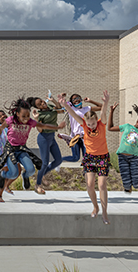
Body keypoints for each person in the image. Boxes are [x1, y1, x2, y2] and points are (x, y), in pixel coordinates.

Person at [0, 97, 64, 194]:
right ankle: (3, 174)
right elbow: (0, 129)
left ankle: (25, 176)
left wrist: (58, 127)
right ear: (18, 114)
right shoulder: (11, 120)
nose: (26, 118)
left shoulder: (30, 121)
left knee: (31, 170)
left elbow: (43, 126)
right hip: (11, 149)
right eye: (23, 116)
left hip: (22, 149)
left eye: (27, 116)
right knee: (14, 174)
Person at [60, 91, 111, 224]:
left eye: (93, 124)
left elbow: (104, 113)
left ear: (96, 121)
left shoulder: (101, 124)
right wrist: (65, 104)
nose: (91, 126)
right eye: (89, 125)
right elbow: (72, 113)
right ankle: (95, 206)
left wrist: (105, 103)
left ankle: (105, 213)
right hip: (89, 157)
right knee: (89, 185)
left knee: (102, 184)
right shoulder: (84, 125)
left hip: (102, 157)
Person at [27, 96, 65, 194]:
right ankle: (38, 185)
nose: (43, 103)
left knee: (58, 160)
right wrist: (36, 119)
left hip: (52, 138)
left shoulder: (51, 106)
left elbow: (61, 111)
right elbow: (40, 129)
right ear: (38, 108)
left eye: (42, 101)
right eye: (39, 104)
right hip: (43, 139)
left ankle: (43, 174)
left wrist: (54, 101)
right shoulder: (40, 114)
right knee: (44, 162)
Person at [60, 94, 102, 163]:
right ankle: (59, 160)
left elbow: (101, 107)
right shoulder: (71, 109)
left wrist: (90, 100)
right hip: (75, 137)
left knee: (87, 158)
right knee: (75, 158)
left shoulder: (87, 109)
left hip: (85, 137)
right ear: (71, 102)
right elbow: (63, 104)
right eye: (73, 99)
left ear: (81, 99)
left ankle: (86, 173)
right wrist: (62, 97)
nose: (76, 100)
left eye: (77, 98)